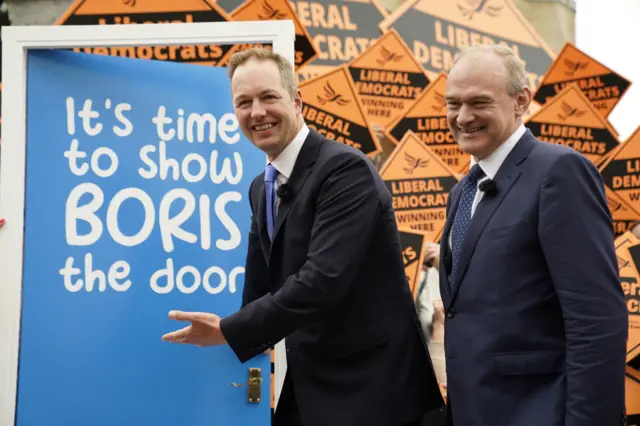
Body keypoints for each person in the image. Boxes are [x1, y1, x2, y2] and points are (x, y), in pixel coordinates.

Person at [161, 47, 444, 426]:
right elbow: (260, 278)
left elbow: (322, 281)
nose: (256, 112)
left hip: (370, 385)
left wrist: (230, 332)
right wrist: (244, 337)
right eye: (243, 102)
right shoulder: (260, 188)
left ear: (297, 102)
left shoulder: (345, 170)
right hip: (312, 377)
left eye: (268, 97)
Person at [439, 44, 628, 426]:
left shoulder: (559, 172)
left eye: (479, 102)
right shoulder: (462, 191)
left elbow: (596, 319)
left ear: (521, 100)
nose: (463, 117)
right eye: (452, 103)